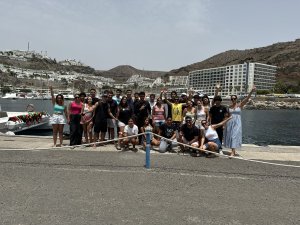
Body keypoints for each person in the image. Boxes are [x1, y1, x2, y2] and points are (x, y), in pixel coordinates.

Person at [224, 87, 256, 157]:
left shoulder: (240, 105)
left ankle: (232, 152)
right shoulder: (229, 107)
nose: (233, 100)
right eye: (232, 99)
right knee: (231, 136)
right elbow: (226, 116)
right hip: (230, 122)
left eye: (234, 98)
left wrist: (251, 91)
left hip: (237, 123)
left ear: (236, 99)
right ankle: (233, 150)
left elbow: (247, 99)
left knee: (234, 136)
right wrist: (224, 124)